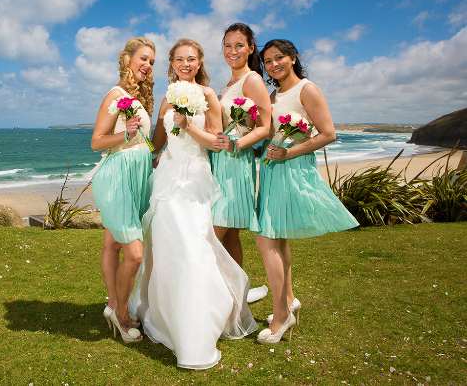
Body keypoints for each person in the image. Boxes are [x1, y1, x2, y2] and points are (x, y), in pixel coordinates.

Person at [215, 39, 359, 344]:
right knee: (277, 239)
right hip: (270, 172)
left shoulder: (307, 89)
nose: (273, 65)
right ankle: (289, 299)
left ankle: (281, 319)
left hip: (290, 170)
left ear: (293, 58)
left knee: (266, 239)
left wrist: (289, 154)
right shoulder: (273, 94)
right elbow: (267, 132)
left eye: (279, 58)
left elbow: (328, 133)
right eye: (267, 61)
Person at [130, 38, 258, 369]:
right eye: (179, 59)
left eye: (192, 59)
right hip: (167, 181)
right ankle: (165, 315)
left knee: (193, 246)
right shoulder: (165, 99)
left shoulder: (210, 96)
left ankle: (199, 322)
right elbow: (157, 143)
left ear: (199, 62)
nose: (186, 64)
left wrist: (188, 123)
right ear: (171, 63)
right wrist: (128, 136)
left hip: (196, 179)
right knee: (168, 246)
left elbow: (216, 142)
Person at [90, 37, 156, 343]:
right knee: (134, 254)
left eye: (152, 62)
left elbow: (142, 140)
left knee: (112, 244)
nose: (147, 66)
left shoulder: (138, 98)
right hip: (118, 176)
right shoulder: (115, 95)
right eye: (143, 58)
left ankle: (113, 305)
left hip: (139, 176)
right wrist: (124, 135)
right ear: (127, 58)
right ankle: (120, 313)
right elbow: (96, 142)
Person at [210, 23, 272, 304]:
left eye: (239, 45)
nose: (232, 51)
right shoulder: (227, 85)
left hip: (235, 163)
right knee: (230, 233)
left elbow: (264, 127)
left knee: (212, 235)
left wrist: (237, 143)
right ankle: (238, 293)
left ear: (250, 48)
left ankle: (216, 297)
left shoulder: (252, 80)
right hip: (220, 160)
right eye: (227, 45)